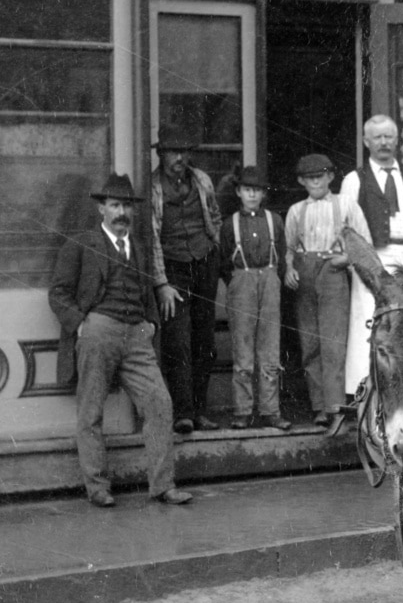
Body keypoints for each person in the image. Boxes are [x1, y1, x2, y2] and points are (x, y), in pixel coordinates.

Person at [48, 172, 192, 508]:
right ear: (102, 209)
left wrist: (152, 324)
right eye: (114, 205)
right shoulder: (81, 244)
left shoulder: (137, 248)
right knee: (91, 410)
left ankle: (162, 485)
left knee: (159, 403)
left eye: (126, 205)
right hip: (98, 331)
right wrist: (82, 325)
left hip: (137, 335)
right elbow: (58, 294)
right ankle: (97, 487)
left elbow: (148, 292)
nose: (121, 212)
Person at [340, 115, 403, 394]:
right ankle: (362, 389)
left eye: (388, 137)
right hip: (372, 260)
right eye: (377, 137)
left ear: (397, 139)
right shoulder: (354, 179)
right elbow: (345, 228)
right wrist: (355, 262)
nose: (383, 143)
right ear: (366, 142)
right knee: (368, 319)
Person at [284, 154, 372, 427]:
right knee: (310, 343)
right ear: (301, 181)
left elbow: (364, 243)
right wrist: (289, 269)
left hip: (333, 272)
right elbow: (289, 249)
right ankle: (319, 406)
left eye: (320, 176)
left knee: (333, 343)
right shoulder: (296, 211)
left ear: (331, 177)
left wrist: (345, 260)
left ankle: (335, 407)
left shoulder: (346, 204)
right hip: (305, 273)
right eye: (310, 178)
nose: (316, 182)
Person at [150, 128, 222, 435]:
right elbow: (151, 236)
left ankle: (200, 410)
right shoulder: (153, 187)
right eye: (172, 152)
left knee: (204, 340)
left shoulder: (201, 179)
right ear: (161, 154)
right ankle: (183, 413)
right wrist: (161, 283)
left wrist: (215, 247)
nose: (179, 158)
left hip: (204, 262)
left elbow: (215, 216)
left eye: (183, 152)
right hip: (173, 269)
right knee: (178, 340)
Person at [219, 166, 289, 431]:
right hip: (242, 281)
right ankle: (242, 411)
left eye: (257, 190)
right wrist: (240, 282)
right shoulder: (230, 225)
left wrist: (270, 279)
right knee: (243, 351)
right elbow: (225, 263)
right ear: (238, 192)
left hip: (270, 280)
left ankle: (271, 410)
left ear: (263, 194)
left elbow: (281, 256)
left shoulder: (275, 221)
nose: (252, 194)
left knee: (270, 348)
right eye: (247, 190)